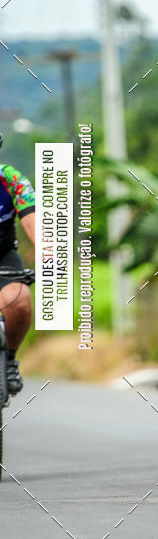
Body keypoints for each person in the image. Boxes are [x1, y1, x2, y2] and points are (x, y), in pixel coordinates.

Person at [0, 137, 36, 394]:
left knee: (20, 299)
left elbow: (34, 221)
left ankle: (9, 359)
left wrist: (49, 258)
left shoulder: (10, 179)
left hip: (3, 256)